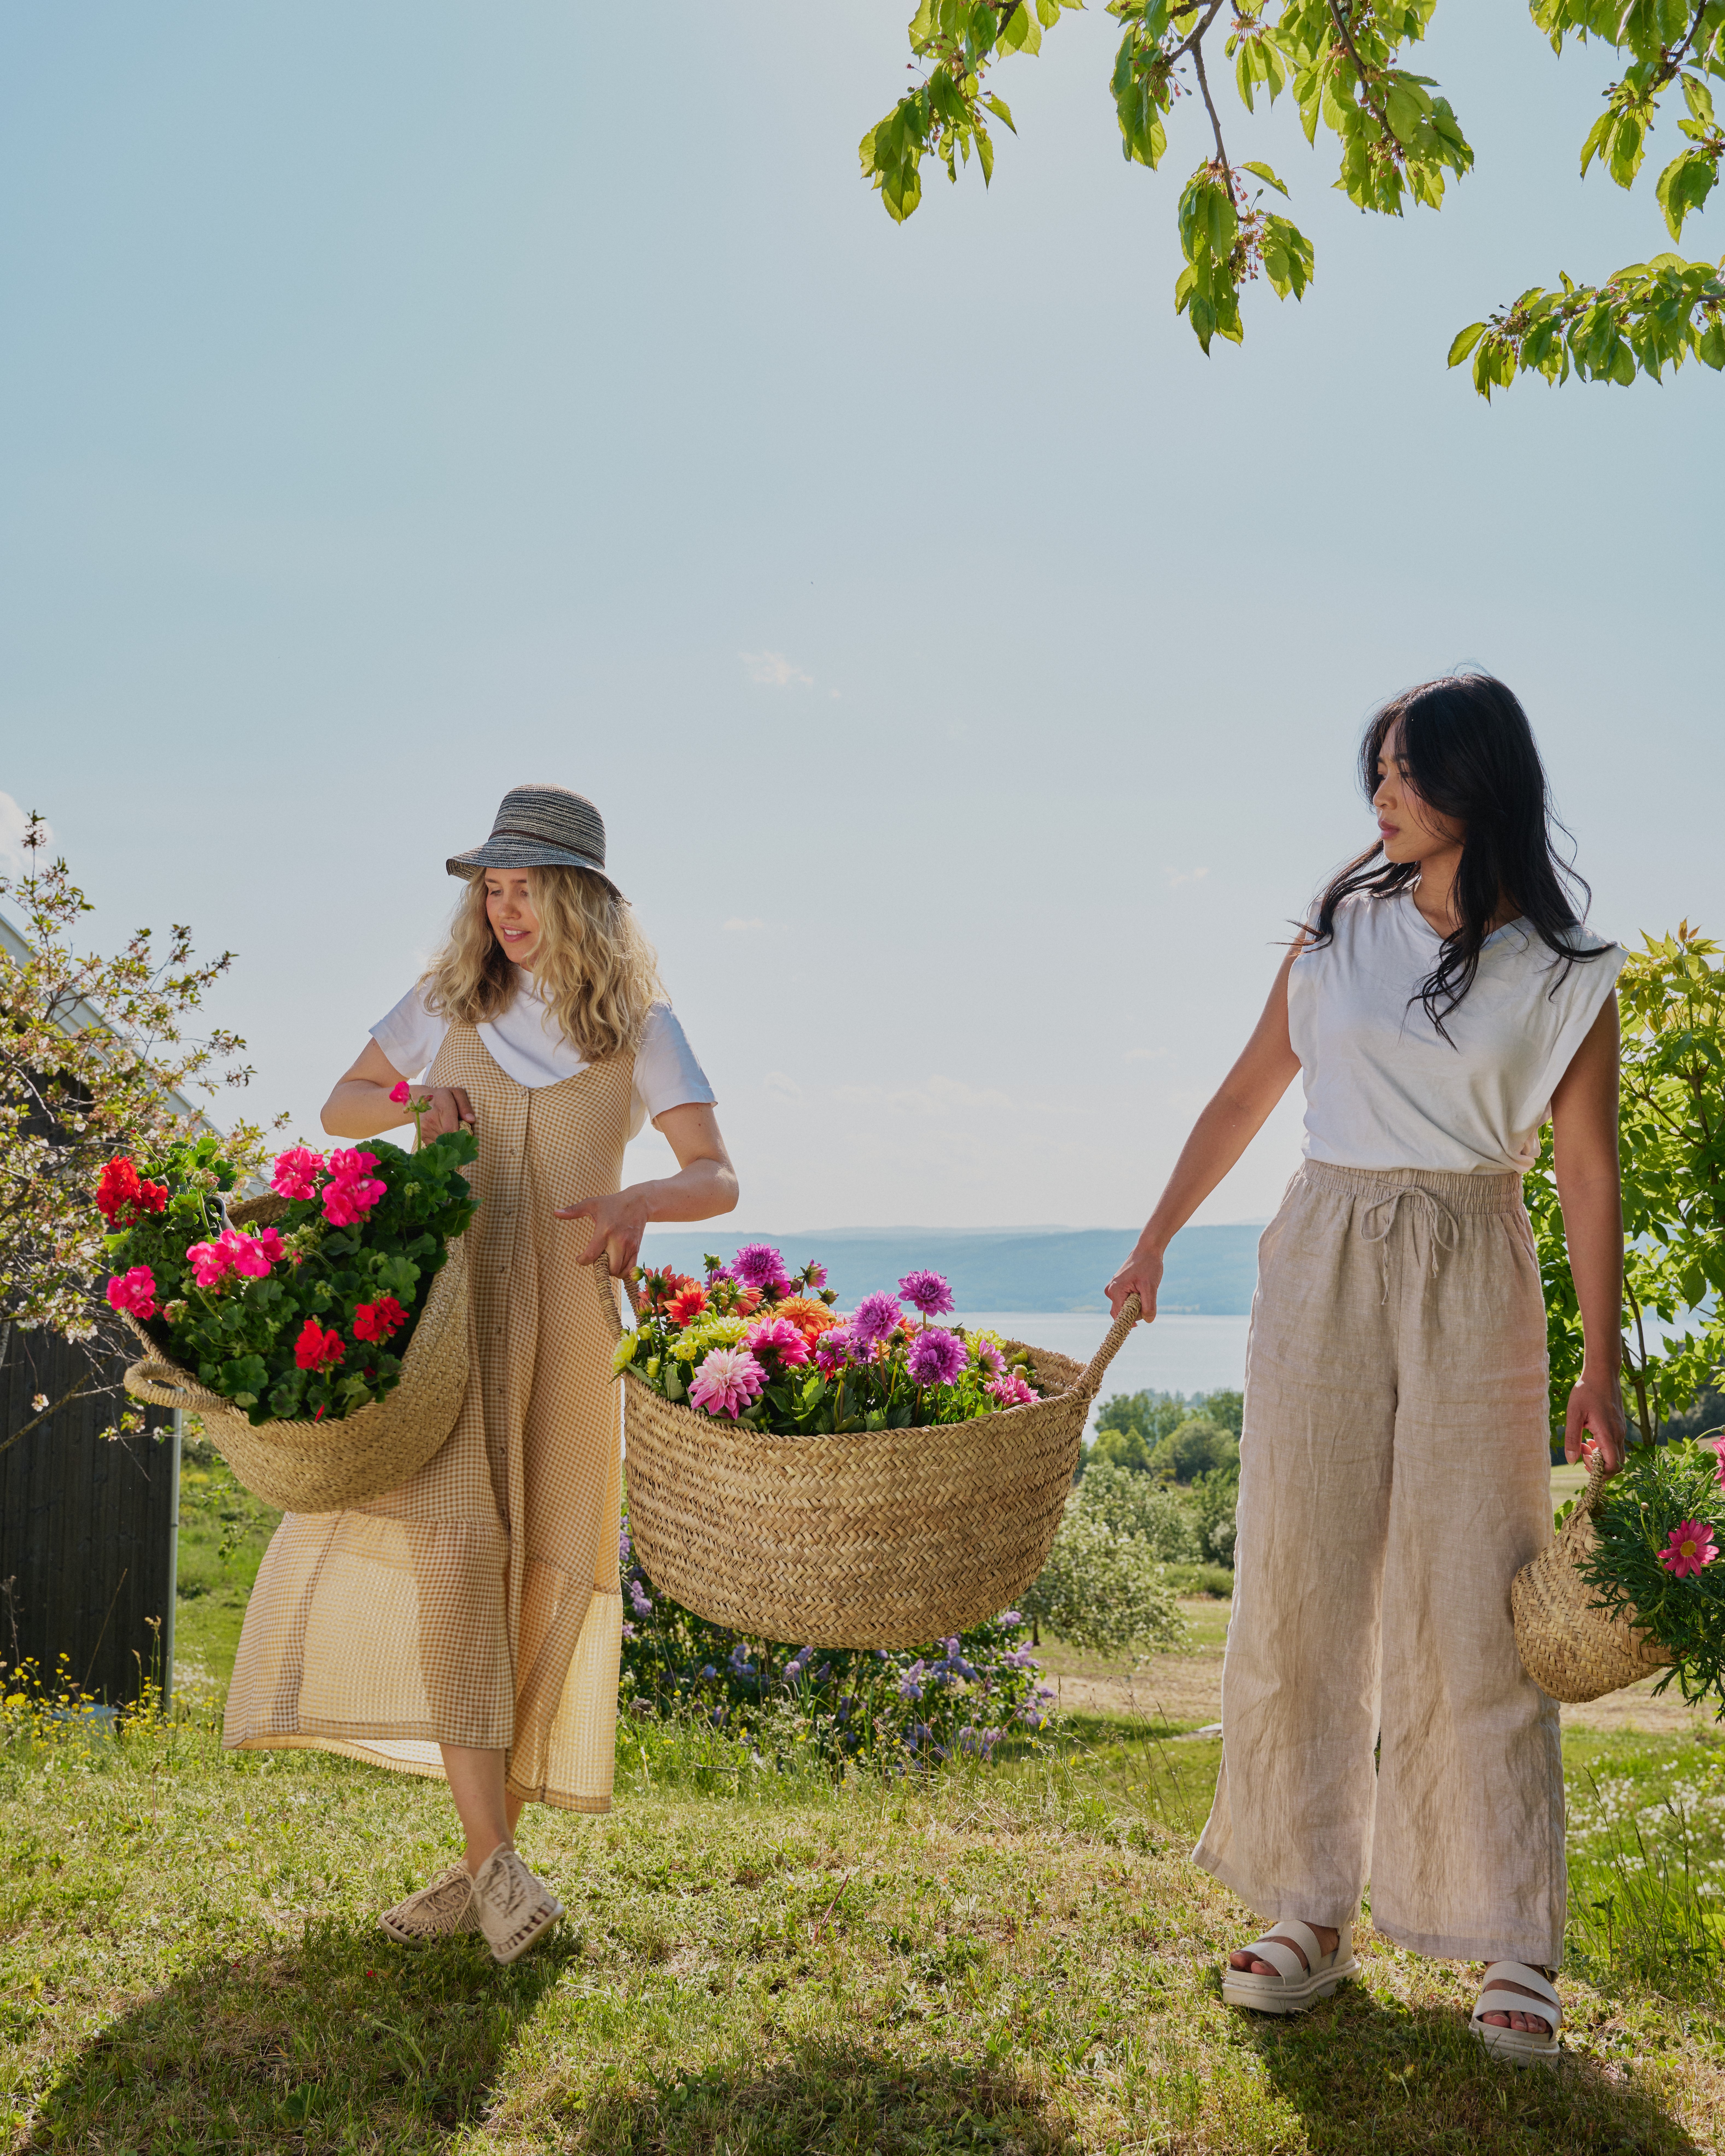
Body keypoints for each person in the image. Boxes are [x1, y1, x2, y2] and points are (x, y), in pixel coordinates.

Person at [1105, 674, 1625, 2066]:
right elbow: (1239, 1097)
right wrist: (1155, 1239)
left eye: (1405, 770)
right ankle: (1307, 1903)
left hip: (1473, 1257)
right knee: (1302, 1575)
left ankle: (1509, 1928)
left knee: (1475, 1594)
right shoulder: (1335, 934)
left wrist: (1606, 1356)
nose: (1382, 794)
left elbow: (1585, 1170)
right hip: (1324, 1248)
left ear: (1479, 782)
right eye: (1376, 772)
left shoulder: (1566, 971)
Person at [224, 783, 737, 1963]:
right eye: (492, 889)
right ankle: (496, 1865)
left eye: (526, 888)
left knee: (543, 1568)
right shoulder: (448, 999)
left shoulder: (641, 1024)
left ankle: (476, 1866)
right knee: (460, 1559)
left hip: (566, 1331)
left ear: (580, 897)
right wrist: (411, 1096)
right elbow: (341, 1107)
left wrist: (636, 1198)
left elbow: (717, 1174)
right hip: (450, 1324)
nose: (506, 911)